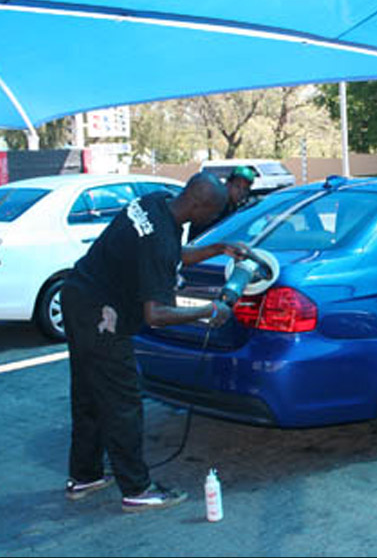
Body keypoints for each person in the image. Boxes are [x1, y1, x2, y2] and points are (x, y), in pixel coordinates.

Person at [61, 172, 248, 513]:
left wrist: (218, 248)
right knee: (123, 401)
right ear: (199, 206)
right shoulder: (159, 239)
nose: (212, 219)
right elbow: (156, 315)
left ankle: (85, 475)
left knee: (89, 393)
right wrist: (210, 310)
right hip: (101, 316)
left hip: (78, 295)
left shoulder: (156, 203)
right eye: (212, 213)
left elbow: (173, 254)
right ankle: (137, 489)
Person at [188, 165, 255, 241]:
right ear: (228, 184)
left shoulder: (235, 209)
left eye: (245, 189)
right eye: (237, 186)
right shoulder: (216, 205)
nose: (241, 192)